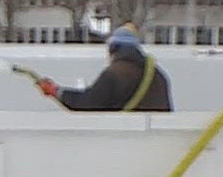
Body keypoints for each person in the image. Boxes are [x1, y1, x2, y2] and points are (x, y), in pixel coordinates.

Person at [35, 25, 174, 112]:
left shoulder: (115, 74)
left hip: (122, 145)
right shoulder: (158, 76)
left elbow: (87, 104)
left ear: (113, 49)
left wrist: (56, 91)